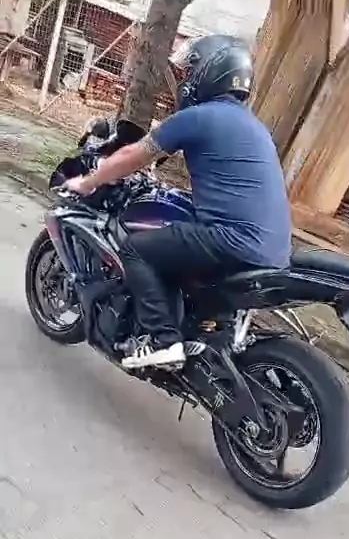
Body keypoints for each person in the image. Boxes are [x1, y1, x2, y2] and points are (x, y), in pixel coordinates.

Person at [65, 34, 292, 370]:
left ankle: (163, 340)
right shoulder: (255, 127)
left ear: (209, 73)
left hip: (231, 240)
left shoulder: (199, 116)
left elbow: (133, 155)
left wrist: (88, 181)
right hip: (275, 250)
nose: (185, 81)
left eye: (190, 72)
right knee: (176, 246)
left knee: (136, 250)